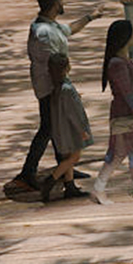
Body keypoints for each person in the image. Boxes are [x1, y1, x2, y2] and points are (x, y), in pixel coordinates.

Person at [14, 0, 103, 192]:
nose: (63, 2)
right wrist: (63, 92)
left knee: (55, 128)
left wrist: (91, 17)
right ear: (54, 4)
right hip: (50, 89)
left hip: (56, 86)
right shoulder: (43, 33)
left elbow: (70, 29)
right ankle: (29, 172)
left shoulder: (50, 26)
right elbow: (52, 65)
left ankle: (65, 167)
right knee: (48, 128)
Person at [91, 20, 133, 204]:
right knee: (118, 153)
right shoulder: (117, 64)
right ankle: (99, 187)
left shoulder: (122, 61)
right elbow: (127, 94)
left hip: (132, 114)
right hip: (125, 115)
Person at [40, 53, 92, 203]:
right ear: (67, 67)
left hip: (60, 129)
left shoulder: (56, 87)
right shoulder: (67, 89)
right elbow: (73, 113)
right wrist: (82, 131)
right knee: (74, 157)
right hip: (70, 130)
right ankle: (51, 180)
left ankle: (70, 186)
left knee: (67, 158)